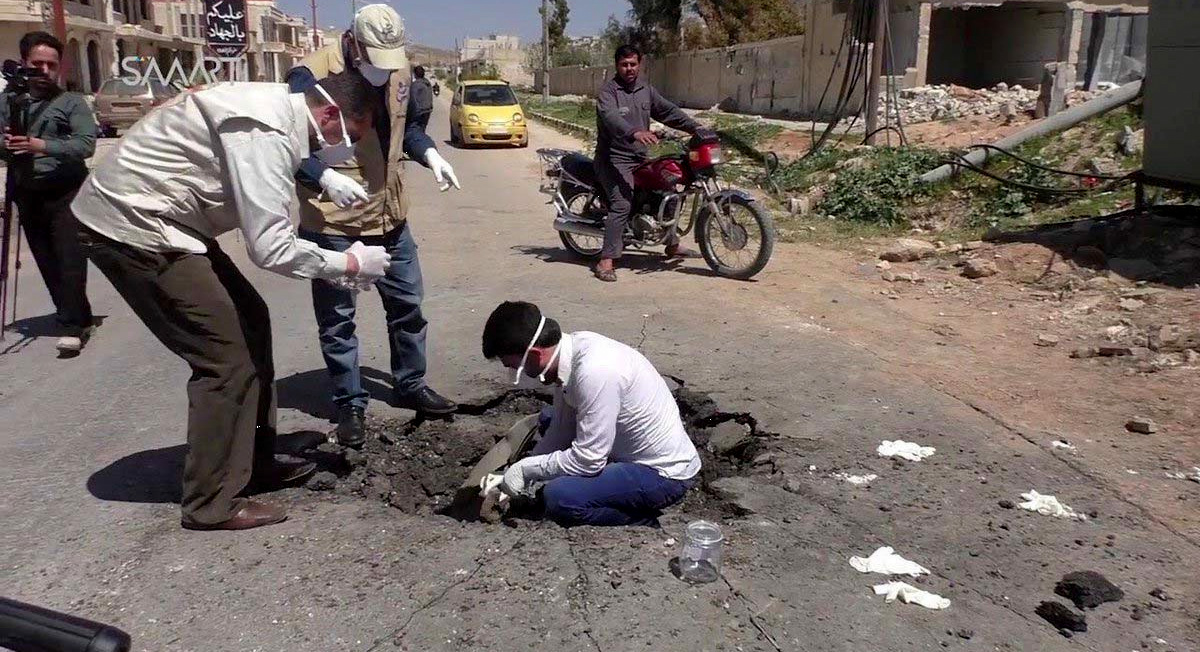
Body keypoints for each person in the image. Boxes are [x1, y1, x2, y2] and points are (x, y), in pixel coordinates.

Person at [70, 72, 394, 531]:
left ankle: (252, 463)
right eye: (351, 136)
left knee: (252, 320)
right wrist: (349, 264)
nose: (345, 149)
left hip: (172, 223)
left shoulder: (275, 114)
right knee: (225, 358)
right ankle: (211, 500)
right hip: (133, 227)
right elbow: (272, 248)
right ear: (329, 114)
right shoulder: (267, 133)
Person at [287, 4, 460, 449]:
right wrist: (322, 175)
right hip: (333, 221)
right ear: (354, 42)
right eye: (375, 59)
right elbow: (283, 145)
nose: (384, 70)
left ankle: (410, 383)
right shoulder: (309, 77)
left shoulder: (399, 70)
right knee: (338, 319)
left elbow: (409, 130)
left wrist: (431, 155)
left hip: (390, 214)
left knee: (408, 305)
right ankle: (349, 403)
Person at [482, 301, 701, 527]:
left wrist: (526, 470)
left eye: (513, 367)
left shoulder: (595, 372)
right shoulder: (569, 352)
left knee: (561, 497)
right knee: (548, 419)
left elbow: (589, 460)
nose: (513, 372)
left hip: (662, 474)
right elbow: (560, 431)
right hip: (623, 450)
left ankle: (643, 524)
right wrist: (522, 469)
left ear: (536, 355)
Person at [0, 31, 98, 353]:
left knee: (70, 257)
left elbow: (85, 145)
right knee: (45, 259)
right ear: (24, 63)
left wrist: (40, 145)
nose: (44, 70)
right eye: (37, 63)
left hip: (67, 190)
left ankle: (72, 327)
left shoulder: (71, 102)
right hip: (28, 190)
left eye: (51, 65)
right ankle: (76, 313)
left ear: (60, 68)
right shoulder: (8, 102)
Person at [593, 44, 704, 283]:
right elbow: (611, 119)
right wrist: (634, 132)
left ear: (639, 64)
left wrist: (695, 126)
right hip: (612, 159)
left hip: (639, 157)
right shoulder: (608, 92)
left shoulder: (645, 90)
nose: (629, 69)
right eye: (624, 64)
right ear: (616, 65)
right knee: (622, 203)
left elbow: (667, 111)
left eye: (633, 64)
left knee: (670, 189)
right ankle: (606, 260)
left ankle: (672, 245)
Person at [409, 65, 434, 130]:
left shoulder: (416, 85)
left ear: (415, 74)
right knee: (422, 129)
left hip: (419, 112)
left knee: (414, 130)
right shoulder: (427, 83)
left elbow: (413, 99)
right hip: (427, 110)